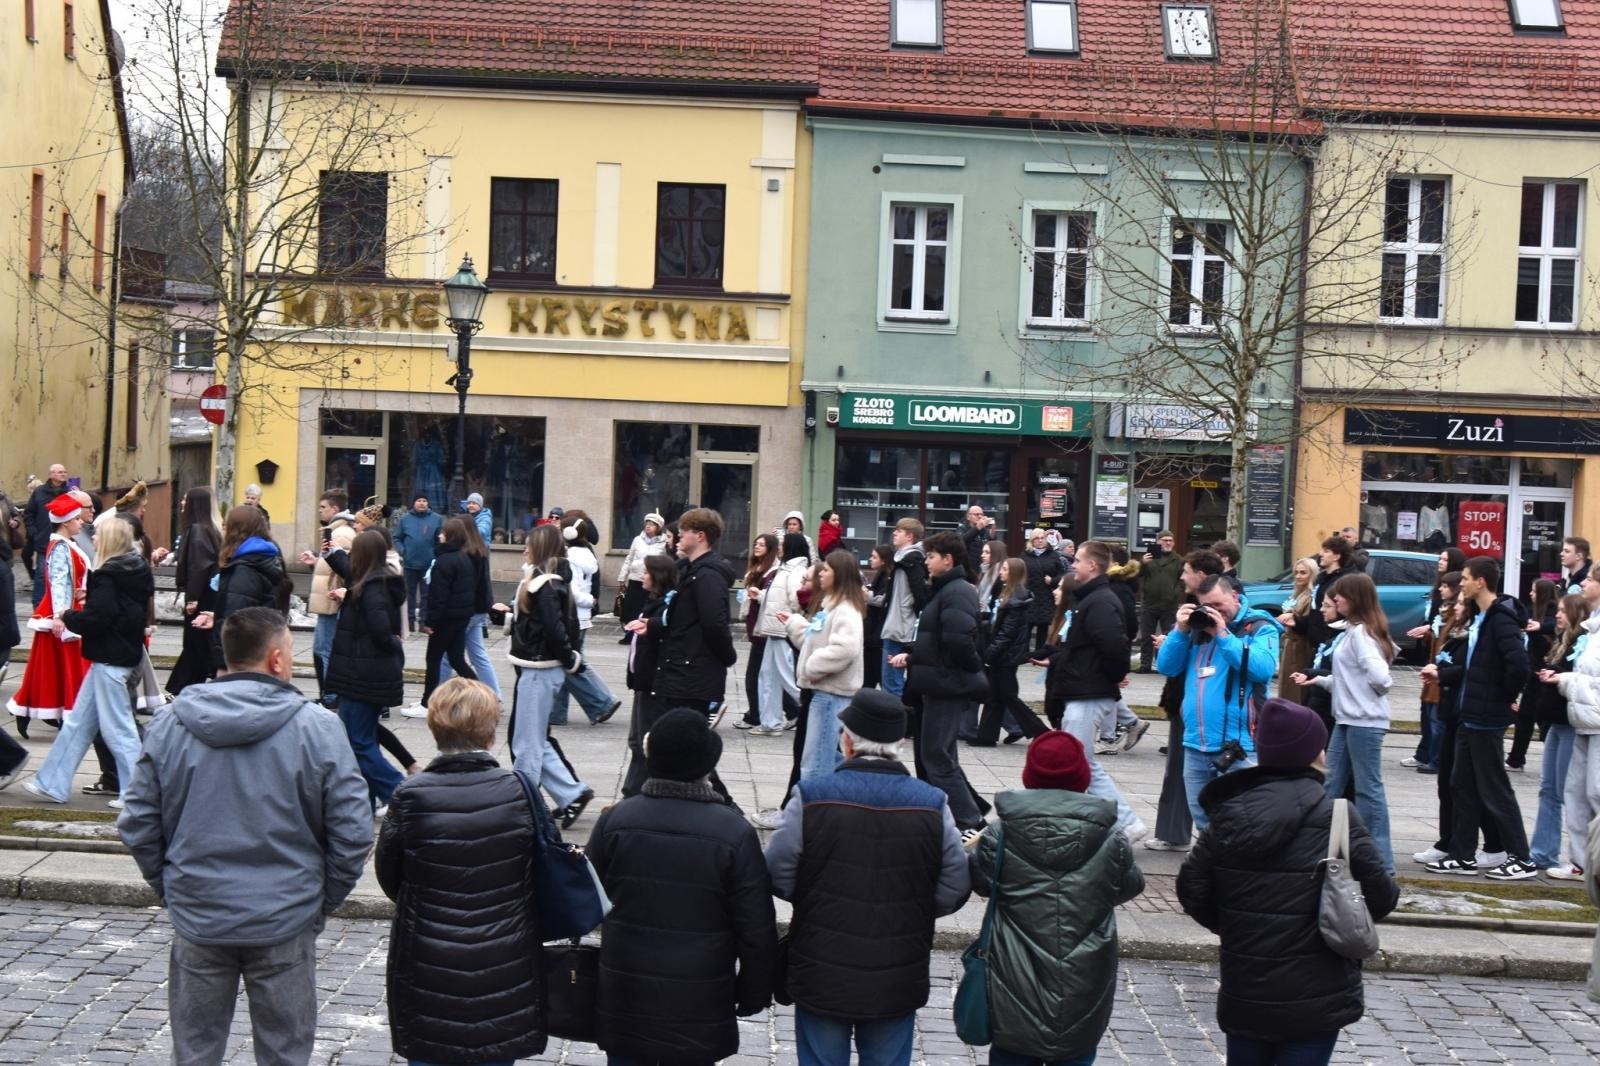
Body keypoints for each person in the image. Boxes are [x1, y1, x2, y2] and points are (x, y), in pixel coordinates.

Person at [118, 606, 372, 1066]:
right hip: (285, 912)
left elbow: (138, 822)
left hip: (201, 909)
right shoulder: (317, 727)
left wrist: (173, 887)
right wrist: (321, 899)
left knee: (195, 1052)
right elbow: (353, 831)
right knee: (285, 1054)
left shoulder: (170, 725)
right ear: (276, 660)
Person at [1177, 698, 1398, 1066]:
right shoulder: (1338, 816)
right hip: (1318, 990)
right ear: (1314, 754)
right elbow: (1383, 897)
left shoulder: (1229, 813)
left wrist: (1237, 921)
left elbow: (1192, 889)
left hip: (1246, 984)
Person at [764, 690, 970, 1066]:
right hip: (898, 965)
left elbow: (778, 873)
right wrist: (912, 909)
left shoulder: (811, 796)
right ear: (901, 745)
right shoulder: (932, 803)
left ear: (846, 740)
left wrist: (814, 899)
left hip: (820, 959)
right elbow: (954, 887)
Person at [587, 709, 777, 1066]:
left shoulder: (616, 822)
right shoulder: (732, 832)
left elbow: (586, 901)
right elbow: (755, 925)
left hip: (627, 989)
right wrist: (755, 988)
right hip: (699, 996)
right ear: (706, 767)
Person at [376, 678, 547, 1065]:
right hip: (504, 952)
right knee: (495, 1049)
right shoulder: (519, 790)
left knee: (431, 1048)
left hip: (428, 954)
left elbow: (390, 875)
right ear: (489, 732)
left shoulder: (411, 795)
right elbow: (542, 864)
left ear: (435, 728)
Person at [973, 730, 1145, 1066]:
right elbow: (1130, 886)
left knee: (1011, 1051)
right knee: (1076, 1052)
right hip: (1085, 975)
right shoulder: (1111, 836)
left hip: (1013, 973)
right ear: (1082, 777)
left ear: (1029, 775)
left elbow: (981, 882)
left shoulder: (1000, 833)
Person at [20, 517, 150, 807]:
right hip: (120, 655)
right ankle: (52, 783)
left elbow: (97, 620)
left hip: (109, 659)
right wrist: (92, 597)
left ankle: (137, 795)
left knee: (118, 730)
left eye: (98, 535)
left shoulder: (107, 574)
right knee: (78, 723)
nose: (93, 539)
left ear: (110, 540)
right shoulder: (136, 569)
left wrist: (67, 614)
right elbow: (121, 611)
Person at [1422, 556, 1537, 879]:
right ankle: (1462, 855)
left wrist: (1500, 698)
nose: (1462, 584)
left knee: (1494, 788)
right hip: (1468, 715)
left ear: (1481, 582)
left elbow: (1519, 667)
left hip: (1486, 718)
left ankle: (1522, 858)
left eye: (1466, 579)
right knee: (1462, 785)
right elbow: (1477, 668)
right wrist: (1446, 676)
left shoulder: (1500, 620)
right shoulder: (1482, 618)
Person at [1032, 540, 1148, 841]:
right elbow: (1086, 648)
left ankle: (1125, 821)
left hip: (1089, 693)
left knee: (1080, 762)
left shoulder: (1100, 601)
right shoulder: (1094, 599)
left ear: (1092, 566)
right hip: (1086, 690)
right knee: (1079, 761)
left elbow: (1115, 648)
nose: (1073, 565)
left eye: (1078, 560)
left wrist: (1105, 679)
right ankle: (1097, 822)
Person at [1155, 573, 1282, 832]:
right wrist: (1180, 631)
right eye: (1207, 607)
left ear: (1234, 597)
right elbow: (1167, 666)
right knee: (1204, 824)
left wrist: (1223, 635)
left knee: (1241, 824)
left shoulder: (1259, 627)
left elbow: (1262, 668)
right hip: (1195, 744)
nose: (1213, 613)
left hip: (1238, 746)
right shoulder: (1196, 631)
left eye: (1218, 605)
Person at [495, 523, 595, 828]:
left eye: (528, 544)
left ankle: (528, 807)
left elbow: (555, 629)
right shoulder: (543, 581)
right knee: (530, 739)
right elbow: (542, 625)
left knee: (526, 744)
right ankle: (571, 793)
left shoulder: (546, 583)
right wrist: (507, 617)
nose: (524, 548)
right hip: (537, 668)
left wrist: (568, 659)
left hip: (540, 670)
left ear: (540, 548)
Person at [1297, 573, 1397, 874]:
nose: (1335, 598)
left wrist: (1369, 693)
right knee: (1330, 783)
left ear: (1354, 599)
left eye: (1339, 595)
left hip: (1364, 722)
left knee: (1368, 791)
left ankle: (1381, 862)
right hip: (1348, 720)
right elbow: (1350, 677)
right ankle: (1317, 847)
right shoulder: (1353, 630)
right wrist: (1324, 681)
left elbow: (1381, 678)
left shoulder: (1362, 634)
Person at [895, 531, 989, 839]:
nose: (927, 563)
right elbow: (938, 639)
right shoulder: (945, 589)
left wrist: (972, 670)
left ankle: (970, 821)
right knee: (941, 753)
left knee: (936, 754)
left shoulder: (957, 591)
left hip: (946, 685)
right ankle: (969, 813)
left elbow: (960, 640)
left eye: (931, 557)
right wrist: (912, 655)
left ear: (948, 560)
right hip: (938, 682)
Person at [323, 530, 409, 815]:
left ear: (362, 555)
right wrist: (333, 554)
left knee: (359, 741)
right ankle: (367, 797)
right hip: (361, 673)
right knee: (355, 737)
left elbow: (380, 629)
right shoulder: (369, 580)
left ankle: (397, 793)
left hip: (365, 674)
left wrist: (391, 643)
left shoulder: (373, 587)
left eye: (352, 552)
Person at [1145, 550, 1226, 851]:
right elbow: (1169, 664)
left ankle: (1180, 834)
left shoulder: (1220, 615)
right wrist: (1176, 636)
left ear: (1202, 575)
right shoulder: (1191, 611)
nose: (1182, 577)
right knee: (1182, 771)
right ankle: (1177, 833)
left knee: (1188, 772)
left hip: (1201, 707)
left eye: (1186, 571)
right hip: (1186, 698)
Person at [7, 493, 91, 732]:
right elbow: (57, 582)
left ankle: (48, 710)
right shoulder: (60, 548)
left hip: (68, 613)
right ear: (66, 522)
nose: (81, 522)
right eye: (77, 519)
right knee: (62, 668)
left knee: (55, 668)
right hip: (64, 616)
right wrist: (59, 616)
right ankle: (60, 712)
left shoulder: (65, 545)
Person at [652, 508, 741, 730]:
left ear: (700, 536)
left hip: (693, 674)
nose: (679, 534)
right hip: (683, 669)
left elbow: (714, 623)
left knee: (687, 745)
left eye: (685, 530)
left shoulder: (708, 575)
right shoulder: (692, 569)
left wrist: (727, 656)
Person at [781, 550, 866, 777]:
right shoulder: (833, 606)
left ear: (838, 575)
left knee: (817, 762)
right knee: (823, 758)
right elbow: (815, 640)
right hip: (824, 693)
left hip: (830, 695)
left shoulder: (845, 609)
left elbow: (844, 648)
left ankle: (814, 810)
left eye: (826, 570)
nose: (821, 574)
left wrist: (811, 667)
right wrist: (794, 624)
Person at [1531, 593, 1587, 878]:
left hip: (1570, 724)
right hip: (1555, 722)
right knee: (1548, 789)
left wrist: (1554, 674)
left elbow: (1575, 678)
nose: (1559, 616)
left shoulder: (1579, 643)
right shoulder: (1559, 642)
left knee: (1568, 791)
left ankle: (1576, 857)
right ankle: (1542, 851)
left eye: (1564, 611)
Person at [551, 513, 622, 726]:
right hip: (579, 618)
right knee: (565, 663)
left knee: (568, 663)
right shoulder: (586, 554)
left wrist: (590, 601)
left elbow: (571, 591)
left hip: (572, 617)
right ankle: (556, 713)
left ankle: (602, 702)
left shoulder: (570, 558)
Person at [621, 554, 680, 797]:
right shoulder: (652, 602)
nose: (642, 576)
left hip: (653, 684)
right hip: (643, 682)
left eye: (646, 572)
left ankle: (635, 794)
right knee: (636, 741)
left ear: (658, 577)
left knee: (643, 742)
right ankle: (632, 793)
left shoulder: (665, 607)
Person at [1555, 572, 1600, 883]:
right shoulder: (1592, 627)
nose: (1583, 584)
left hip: (1596, 720)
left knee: (1597, 792)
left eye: (1590, 580)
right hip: (1584, 718)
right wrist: (1565, 680)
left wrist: (1567, 681)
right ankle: (1581, 862)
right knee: (1575, 791)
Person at [208, 507, 292, 671]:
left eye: (226, 526)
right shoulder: (266, 556)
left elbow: (236, 617)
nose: (223, 531)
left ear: (235, 530)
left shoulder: (245, 568)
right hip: (263, 649)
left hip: (243, 660)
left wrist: (223, 663)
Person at [975, 557, 1047, 747]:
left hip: (1006, 656)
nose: (1001, 572)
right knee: (996, 696)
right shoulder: (1010, 594)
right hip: (1005, 654)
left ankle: (1041, 731)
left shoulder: (1016, 597)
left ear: (1013, 573)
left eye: (1005, 569)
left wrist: (990, 654)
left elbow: (1006, 633)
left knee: (1007, 696)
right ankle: (986, 736)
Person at [1402, 565, 1464, 775]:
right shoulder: (1444, 611)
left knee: (1438, 720)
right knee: (1429, 716)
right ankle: (1429, 754)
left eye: (1446, 586)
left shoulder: (1455, 615)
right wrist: (1428, 635)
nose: (1441, 590)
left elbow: (1449, 641)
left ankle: (1437, 760)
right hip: (1433, 669)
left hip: (1442, 672)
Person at [434, 513, 503, 702]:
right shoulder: (479, 549)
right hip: (480, 607)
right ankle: (494, 694)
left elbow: (464, 587)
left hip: (468, 610)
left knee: (448, 656)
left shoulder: (466, 553)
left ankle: (434, 696)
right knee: (478, 654)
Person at [413, 518, 479, 713]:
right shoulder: (463, 557)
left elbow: (438, 595)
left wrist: (430, 621)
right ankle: (483, 693)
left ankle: (427, 703)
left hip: (445, 619)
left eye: (443, 532)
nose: (439, 535)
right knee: (457, 659)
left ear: (449, 536)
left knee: (433, 659)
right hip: (460, 617)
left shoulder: (444, 560)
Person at [753, 533, 810, 737]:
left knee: (787, 677)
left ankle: (811, 706)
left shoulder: (795, 569)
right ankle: (770, 722)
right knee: (768, 676)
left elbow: (797, 598)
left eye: (783, 545)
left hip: (783, 629)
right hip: (775, 629)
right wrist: (760, 596)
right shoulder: (785, 568)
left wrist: (791, 619)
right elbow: (778, 596)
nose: (780, 548)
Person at [167, 487, 222, 696]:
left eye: (185, 500)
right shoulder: (209, 528)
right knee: (198, 645)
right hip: (207, 594)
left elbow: (198, 566)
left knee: (195, 645)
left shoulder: (197, 529)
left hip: (201, 597)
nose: (182, 504)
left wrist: (192, 599)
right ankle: (187, 686)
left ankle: (181, 687)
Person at [303, 489, 356, 703]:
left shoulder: (341, 533)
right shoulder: (334, 531)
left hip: (331, 600)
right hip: (328, 598)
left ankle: (331, 695)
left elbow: (345, 569)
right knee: (323, 648)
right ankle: (329, 694)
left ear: (335, 509)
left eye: (323, 507)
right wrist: (315, 562)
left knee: (324, 649)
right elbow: (330, 566)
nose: (320, 511)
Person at [1508, 578, 1560, 771]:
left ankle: (1547, 758)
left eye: (1534, 591)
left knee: (1541, 718)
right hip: (1533, 672)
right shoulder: (1533, 610)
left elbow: (1553, 625)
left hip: (1544, 674)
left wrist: (1539, 627)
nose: (1530, 594)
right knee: (1527, 717)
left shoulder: (1553, 612)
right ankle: (1516, 758)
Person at [878, 519, 929, 700]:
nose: (894, 533)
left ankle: (893, 723)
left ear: (910, 536)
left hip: (899, 627)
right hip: (896, 624)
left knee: (891, 684)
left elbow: (919, 596)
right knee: (891, 682)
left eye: (899, 531)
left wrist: (907, 617)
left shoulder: (910, 561)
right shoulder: (902, 559)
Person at [616, 511, 668, 643]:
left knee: (646, 607)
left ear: (659, 527)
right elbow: (629, 558)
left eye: (652, 524)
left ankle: (644, 631)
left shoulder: (663, 542)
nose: (648, 526)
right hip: (635, 578)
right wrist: (622, 577)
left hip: (651, 581)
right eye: (647, 523)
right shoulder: (637, 540)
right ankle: (629, 633)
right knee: (631, 608)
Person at [22, 463, 69, 608]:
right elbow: (29, 513)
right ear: (51, 475)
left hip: (64, 539)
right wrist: (33, 532)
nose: (63, 474)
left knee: (63, 573)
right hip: (43, 540)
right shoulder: (40, 492)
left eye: (64, 472)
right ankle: (38, 605)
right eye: (60, 472)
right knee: (42, 575)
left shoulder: (69, 493)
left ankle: (61, 604)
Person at [393, 495, 442, 632]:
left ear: (428, 503)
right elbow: (397, 538)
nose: (422, 503)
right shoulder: (405, 519)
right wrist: (403, 551)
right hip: (410, 564)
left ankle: (423, 622)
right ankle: (409, 621)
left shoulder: (436, 519)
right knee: (409, 594)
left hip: (428, 565)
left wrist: (436, 555)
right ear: (413, 503)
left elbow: (440, 540)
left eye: (424, 501)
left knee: (427, 595)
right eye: (419, 501)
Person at [1138, 530, 1182, 673]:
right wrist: (1143, 563)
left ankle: (1162, 665)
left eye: (1170, 540)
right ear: (1158, 542)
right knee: (1146, 637)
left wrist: (1175, 593)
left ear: (1173, 543)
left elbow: (1183, 581)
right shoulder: (1149, 558)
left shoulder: (1179, 560)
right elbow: (1137, 574)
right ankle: (1145, 665)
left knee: (1167, 637)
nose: (1168, 543)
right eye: (1164, 540)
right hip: (1149, 603)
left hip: (1169, 605)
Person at [1275, 556, 1318, 704]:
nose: (1298, 576)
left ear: (1311, 574)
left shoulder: (1311, 596)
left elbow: (1309, 623)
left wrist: (1293, 619)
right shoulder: (1296, 594)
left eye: (1303, 573)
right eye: (1297, 572)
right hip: (1288, 643)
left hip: (1299, 646)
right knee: (1286, 684)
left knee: (1294, 687)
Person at [1022, 528, 1065, 649]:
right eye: (1037, 538)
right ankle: (1023, 653)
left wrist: (1053, 580)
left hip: (1046, 595)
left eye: (1042, 538)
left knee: (1043, 625)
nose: (1040, 541)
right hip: (1029, 594)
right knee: (1027, 625)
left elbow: (1062, 574)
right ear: (1032, 541)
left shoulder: (1053, 555)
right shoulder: (1025, 555)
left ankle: (1039, 653)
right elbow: (1019, 572)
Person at [863, 544, 893, 693]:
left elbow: (883, 600)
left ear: (883, 560)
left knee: (875, 675)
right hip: (873, 632)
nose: (870, 559)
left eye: (874, 557)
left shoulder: (887, 577)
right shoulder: (880, 575)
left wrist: (866, 594)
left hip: (877, 633)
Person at [958, 504, 996, 582]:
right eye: (976, 514)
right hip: (967, 570)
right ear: (968, 517)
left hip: (982, 570)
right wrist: (977, 528)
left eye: (981, 514)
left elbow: (992, 548)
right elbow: (961, 542)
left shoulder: (985, 531)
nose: (979, 517)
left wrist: (993, 536)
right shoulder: (962, 529)